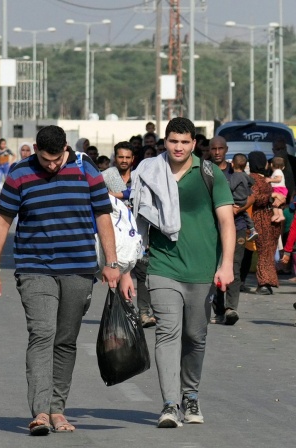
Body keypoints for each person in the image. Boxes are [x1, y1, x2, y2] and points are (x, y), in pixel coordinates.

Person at [0, 125, 120, 435]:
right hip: (34, 268)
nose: (51, 166)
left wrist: (111, 262)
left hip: (79, 268)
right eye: (45, 160)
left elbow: (102, 215)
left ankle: (59, 409)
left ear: (66, 149)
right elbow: (3, 220)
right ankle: (40, 412)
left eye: (57, 160)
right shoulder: (19, 174)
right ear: (35, 149)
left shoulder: (86, 170)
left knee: (65, 340)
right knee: (42, 332)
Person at [121, 117, 235, 428]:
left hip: (201, 271)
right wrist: (125, 269)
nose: (179, 147)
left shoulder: (209, 174)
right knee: (167, 333)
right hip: (162, 266)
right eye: (173, 141)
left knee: (195, 336)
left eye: (185, 142)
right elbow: (132, 218)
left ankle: (190, 394)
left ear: (194, 144)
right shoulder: (149, 172)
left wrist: (226, 264)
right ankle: (170, 404)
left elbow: (226, 222)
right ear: (165, 141)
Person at [102, 141, 155, 327]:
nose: (124, 161)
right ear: (114, 158)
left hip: (139, 232)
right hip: (115, 235)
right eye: (120, 157)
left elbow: (143, 195)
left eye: (127, 157)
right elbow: (99, 196)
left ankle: (143, 312)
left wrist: (116, 195)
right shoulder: (107, 176)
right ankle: (121, 311)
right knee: (117, 272)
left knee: (142, 273)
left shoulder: (140, 176)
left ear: (133, 159)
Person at [209, 136, 248, 325]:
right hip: (211, 228)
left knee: (234, 265)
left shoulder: (236, 171)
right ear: (209, 150)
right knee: (213, 268)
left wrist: (238, 209)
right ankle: (218, 309)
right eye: (213, 148)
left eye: (220, 148)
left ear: (226, 149)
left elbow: (252, 196)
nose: (217, 152)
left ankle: (231, 308)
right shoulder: (204, 171)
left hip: (237, 226)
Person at [248, 151, 284, 295]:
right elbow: (255, 197)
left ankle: (267, 282)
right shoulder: (253, 179)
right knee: (264, 252)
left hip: (268, 219)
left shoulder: (262, 178)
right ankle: (264, 283)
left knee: (268, 251)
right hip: (260, 218)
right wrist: (272, 196)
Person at [230, 153, 259, 241]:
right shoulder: (245, 175)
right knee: (244, 213)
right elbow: (252, 182)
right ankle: (252, 230)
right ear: (246, 165)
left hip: (236, 200)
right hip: (244, 199)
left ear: (232, 163)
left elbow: (230, 187)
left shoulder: (235, 176)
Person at [266, 156, 288, 222]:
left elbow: (278, 179)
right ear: (283, 167)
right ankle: (281, 215)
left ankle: (276, 214)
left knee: (274, 202)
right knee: (279, 204)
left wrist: (270, 180)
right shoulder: (279, 171)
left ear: (271, 164)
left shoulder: (277, 171)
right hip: (281, 189)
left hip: (278, 189)